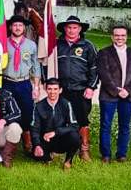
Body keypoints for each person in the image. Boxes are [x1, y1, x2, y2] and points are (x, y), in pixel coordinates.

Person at [54, 15, 98, 162]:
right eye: (69, 27)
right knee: (60, 118)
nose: (72, 30)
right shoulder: (56, 45)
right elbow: (46, 65)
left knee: (82, 120)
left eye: (75, 27)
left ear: (79, 29)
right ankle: (60, 147)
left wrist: (91, 87)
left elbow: (95, 68)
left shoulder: (88, 45)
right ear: (64, 29)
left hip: (81, 89)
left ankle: (84, 149)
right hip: (61, 90)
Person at [96, 25, 131, 163]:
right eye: (117, 35)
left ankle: (121, 154)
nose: (119, 38)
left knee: (125, 125)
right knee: (106, 125)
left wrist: (127, 90)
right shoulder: (104, 53)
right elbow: (103, 74)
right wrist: (116, 91)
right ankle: (106, 154)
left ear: (126, 37)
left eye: (122, 35)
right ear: (112, 37)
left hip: (128, 95)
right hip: (108, 95)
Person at [2, 15, 42, 152]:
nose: (17, 28)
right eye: (14, 25)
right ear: (10, 27)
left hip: (24, 83)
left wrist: (36, 87)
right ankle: (8, 142)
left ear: (24, 27)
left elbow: (36, 66)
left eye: (20, 25)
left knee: (27, 111)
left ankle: (27, 139)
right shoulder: (3, 43)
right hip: (7, 82)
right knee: (7, 111)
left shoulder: (31, 45)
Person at [31, 78, 81, 170]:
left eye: (55, 89)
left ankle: (68, 161)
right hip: (46, 140)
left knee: (75, 137)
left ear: (60, 90)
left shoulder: (66, 104)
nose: (52, 92)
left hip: (61, 138)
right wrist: (37, 145)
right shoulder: (38, 106)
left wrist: (56, 132)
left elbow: (74, 126)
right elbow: (35, 128)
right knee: (36, 155)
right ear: (46, 89)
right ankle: (48, 157)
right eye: (49, 89)